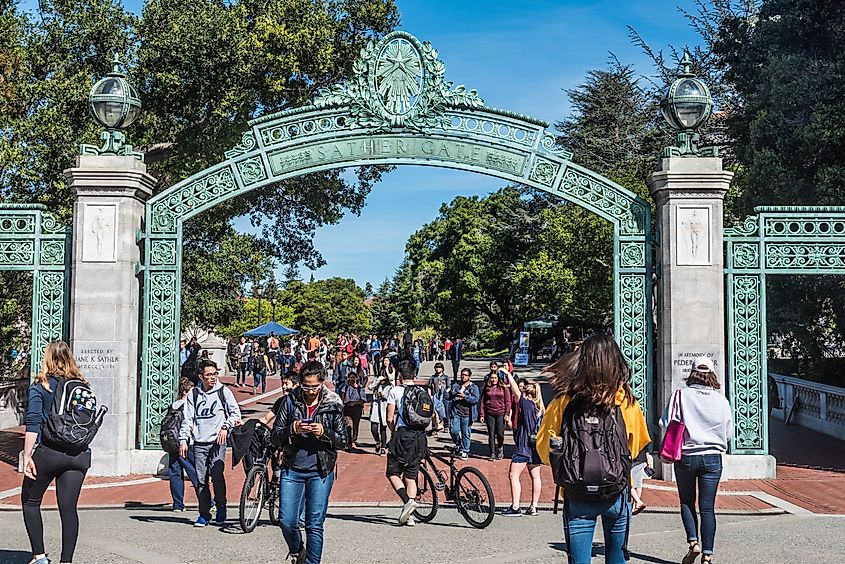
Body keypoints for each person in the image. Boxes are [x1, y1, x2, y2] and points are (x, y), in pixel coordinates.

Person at [537, 334, 651, 564]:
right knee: (617, 557)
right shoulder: (625, 401)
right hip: (616, 489)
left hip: (577, 490)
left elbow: (544, 448)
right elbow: (637, 443)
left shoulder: (565, 401)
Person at [21, 341, 93, 564]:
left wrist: (27, 455)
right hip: (77, 454)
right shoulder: (81, 385)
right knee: (68, 508)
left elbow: (33, 422)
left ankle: (40, 556)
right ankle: (66, 561)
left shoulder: (41, 385)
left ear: (47, 359)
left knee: (31, 501)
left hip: (49, 452)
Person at [271, 361, 346, 564]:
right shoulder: (290, 401)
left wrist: (324, 432)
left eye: (315, 386)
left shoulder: (333, 403)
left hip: (320, 470)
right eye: (306, 386)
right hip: (292, 468)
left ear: (322, 383)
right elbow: (275, 436)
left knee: (314, 524)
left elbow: (343, 441)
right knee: (286, 520)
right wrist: (293, 429)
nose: (311, 391)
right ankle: (297, 550)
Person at [661, 356, 733, 564]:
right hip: (712, 458)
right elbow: (728, 432)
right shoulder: (722, 400)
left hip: (687, 455)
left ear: (692, 372)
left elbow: (666, 422)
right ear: (712, 374)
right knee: (708, 507)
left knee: (686, 501)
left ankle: (693, 543)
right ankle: (708, 555)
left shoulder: (681, 395)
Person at [179, 360, 242, 527]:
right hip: (199, 442)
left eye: (215, 374)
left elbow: (235, 413)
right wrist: (183, 440)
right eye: (209, 375)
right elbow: (188, 419)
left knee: (217, 475)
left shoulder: (224, 392)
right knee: (201, 480)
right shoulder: (193, 394)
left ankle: (221, 504)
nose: (213, 378)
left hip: (217, 442)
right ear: (201, 376)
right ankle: (204, 513)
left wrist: (225, 427)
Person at [385, 360, 428, 527]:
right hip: (420, 436)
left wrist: (392, 431)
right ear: (414, 374)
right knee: (411, 475)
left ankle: (407, 503)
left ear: (400, 375)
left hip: (403, 435)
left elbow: (389, 417)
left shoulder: (395, 390)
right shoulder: (422, 390)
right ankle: (410, 516)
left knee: (392, 472)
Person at [502, 376, 545, 516]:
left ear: (528, 393)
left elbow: (516, 392)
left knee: (513, 475)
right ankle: (534, 506)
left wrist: (508, 375)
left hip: (523, 445)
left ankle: (515, 507)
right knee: (536, 476)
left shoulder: (527, 405)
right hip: (535, 447)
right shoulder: (540, 409)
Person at [168, 378, 200, 512]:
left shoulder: (173, 405)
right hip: (186, 443)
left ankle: (178, 504)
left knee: (175, 473)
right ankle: (208, 502)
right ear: (185, 392)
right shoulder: (188, 405)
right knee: (195, 473)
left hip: (171, 443)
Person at [448, 368, 480, 460]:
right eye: (462, 374)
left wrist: (464, 396)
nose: (463, 376)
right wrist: (445, 390)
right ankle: (458, 444)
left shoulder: (473, 387)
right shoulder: (456, 386)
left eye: (465, 375)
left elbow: (475, 399)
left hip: (467, 414)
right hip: (456, 412)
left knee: (466, 432)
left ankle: (465, 450)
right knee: (454, 430)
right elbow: (449, 396)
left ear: (469, 376)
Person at [337, 356, 367, 451]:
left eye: (354, 378)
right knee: (348, 424)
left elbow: (363, 400)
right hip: (347, 408)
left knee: (355, 425)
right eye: (350, 378)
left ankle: (354, 440)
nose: (352, 379)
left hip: (357, 408)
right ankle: (349, 441)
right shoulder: (344, 388)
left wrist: (356, 403)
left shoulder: (360, 388)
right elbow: (341, 398)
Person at [479, 368, 511, 460]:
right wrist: (482, 414)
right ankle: (492, 453)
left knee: (500, 433)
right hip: (489, 413)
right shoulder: (487, 388)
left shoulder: (503, 388)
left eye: (495, 378)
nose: (493, 380)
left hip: (500, 413)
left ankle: (500, 447)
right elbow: (482, 401)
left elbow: (508, 401)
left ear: (498, 379)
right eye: (492, 378)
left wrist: (507, 413)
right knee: (491, 434)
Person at [368, 370, 393, 455]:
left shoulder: (389, 387)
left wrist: (383, 395)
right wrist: (377, 381)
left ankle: (383, 447)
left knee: (383, 428)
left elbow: (390, 397)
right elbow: (369, 387)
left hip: (383, 407)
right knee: (373, 428)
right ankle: (377, 441)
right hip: (375, 407)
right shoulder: (376, 385)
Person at [427, 362, 450, 433]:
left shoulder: (446, 377)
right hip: (435, 396)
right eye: (436, 368)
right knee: (434, 412)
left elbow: (449, 387)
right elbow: (429, 387)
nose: (437, 369)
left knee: (445, 411)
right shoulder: (433, 377)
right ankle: (435, 427)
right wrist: (430, 395)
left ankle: (446, 425)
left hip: (444, 397)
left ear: (442, 369)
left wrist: (445, 391)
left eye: (439, 367)